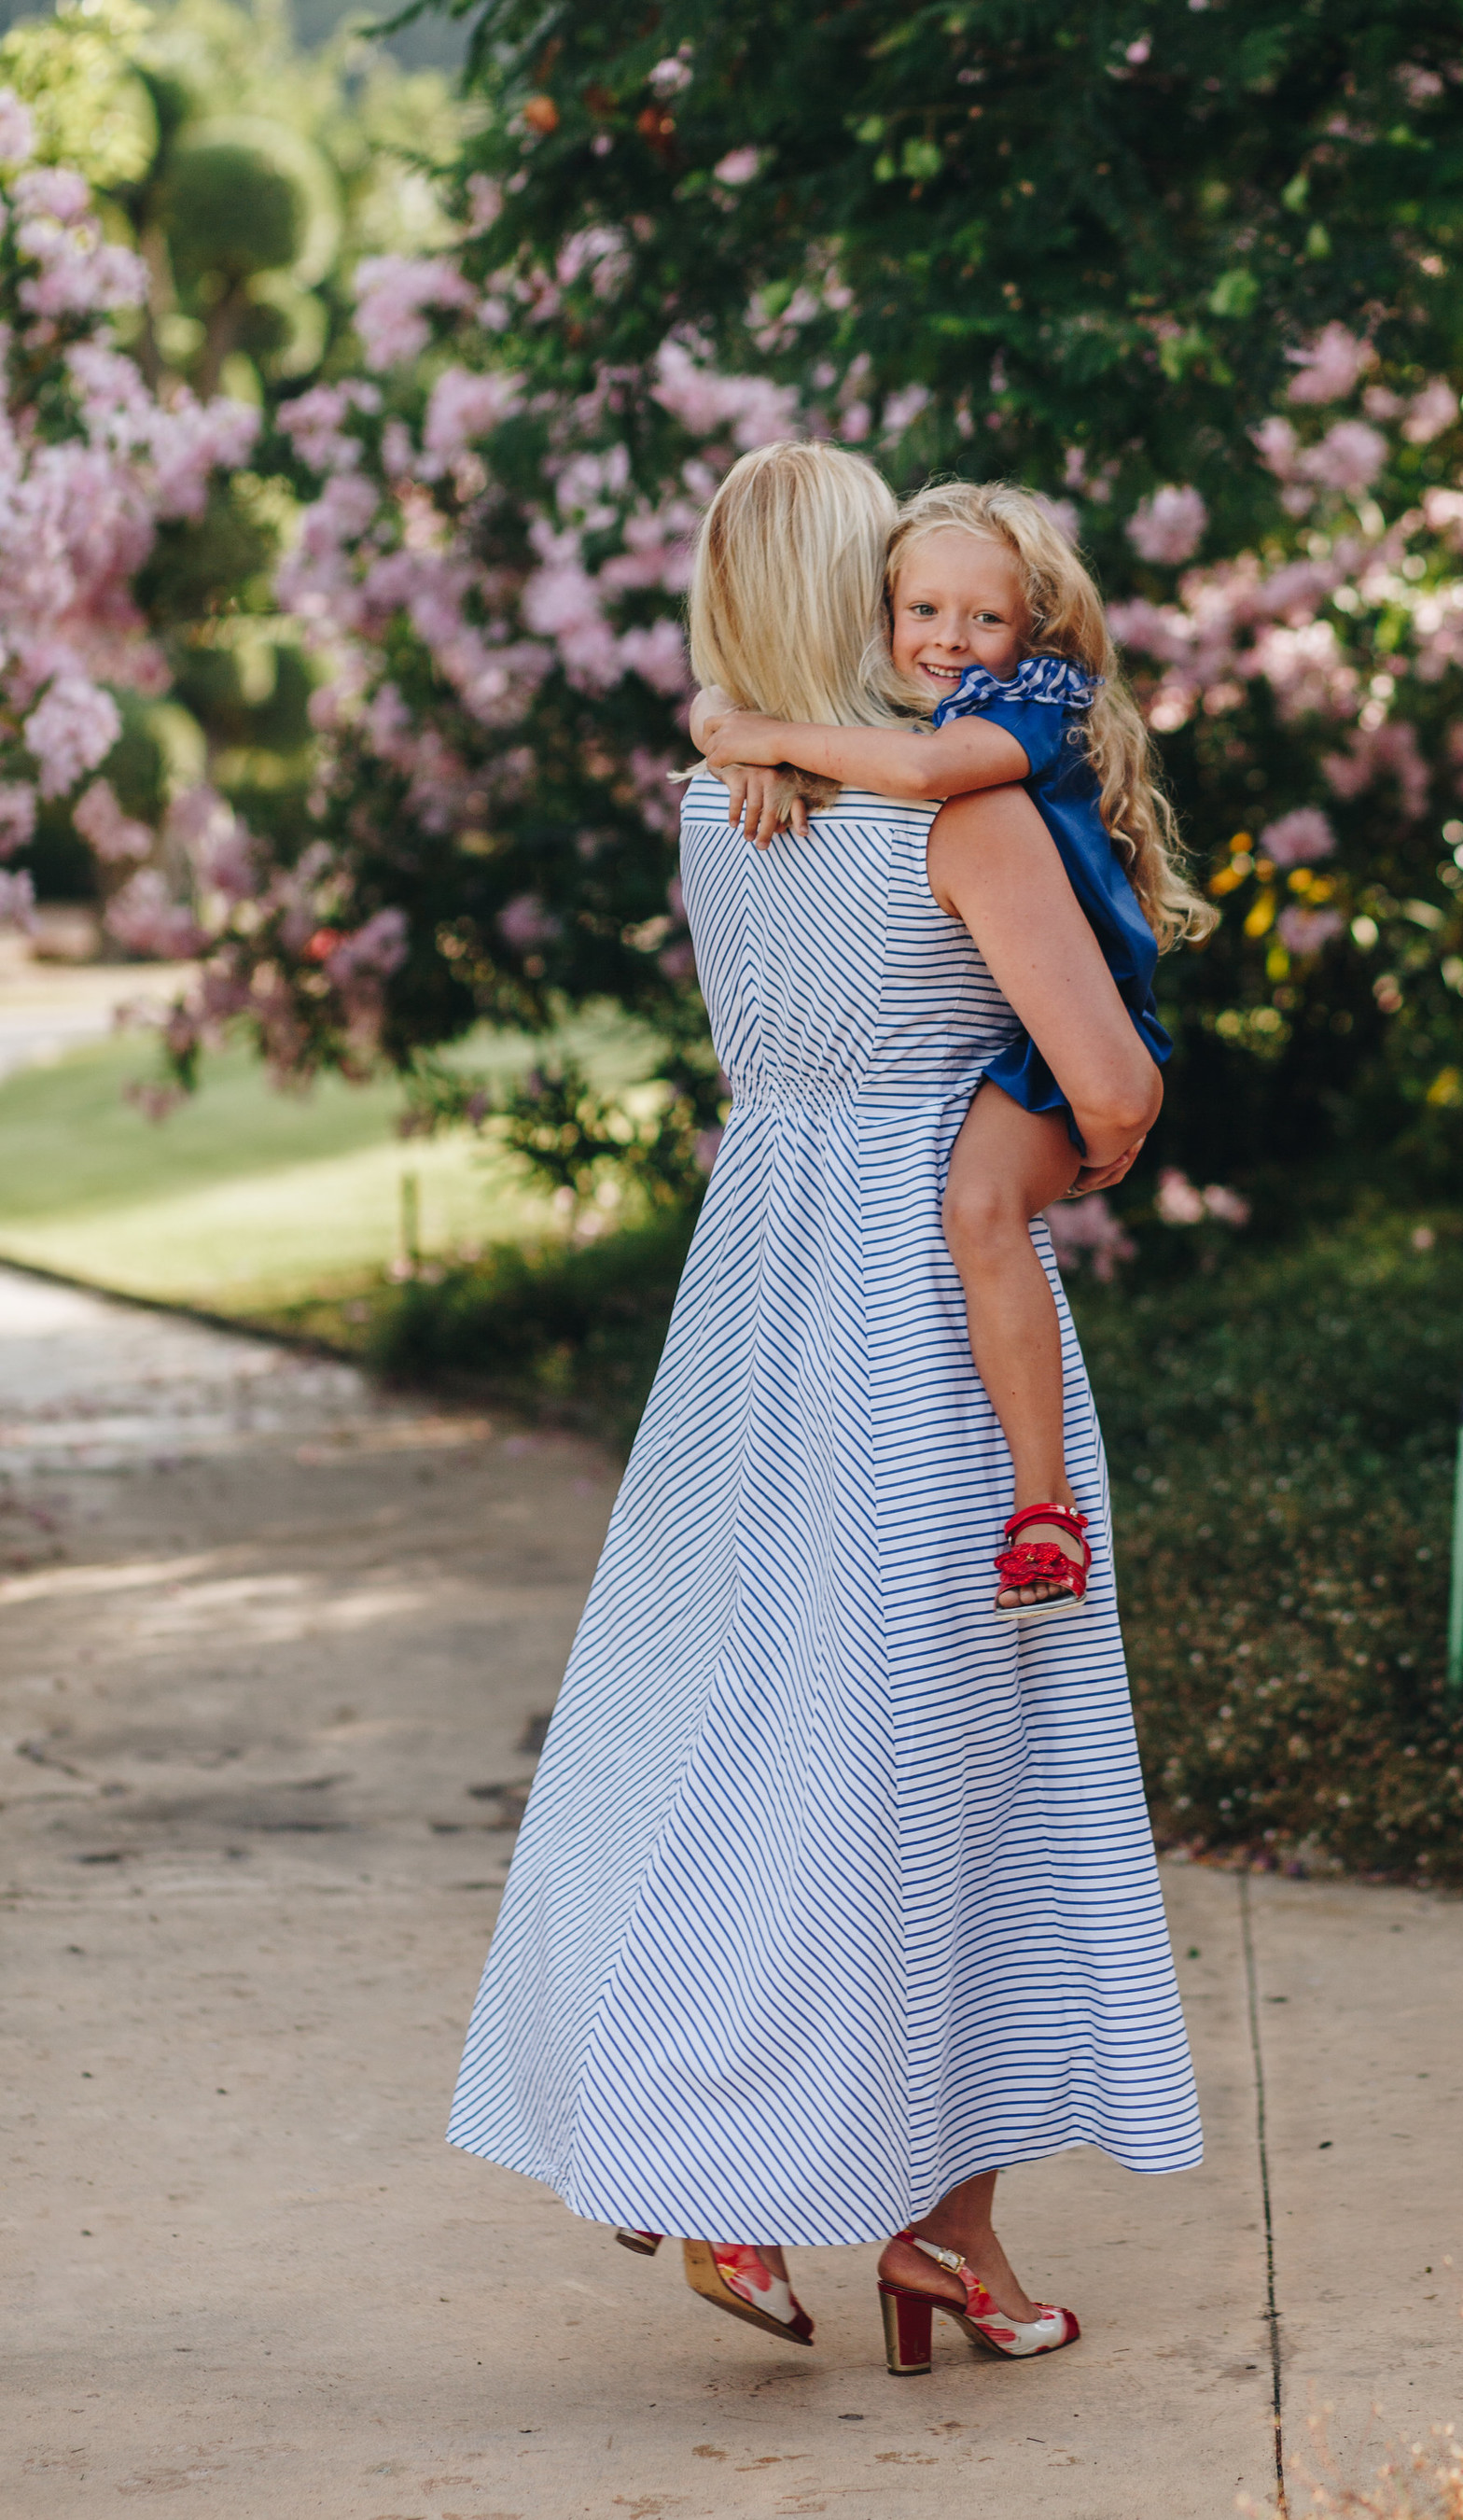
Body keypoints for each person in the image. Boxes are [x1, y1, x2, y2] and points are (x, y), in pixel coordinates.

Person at [447, 441, 1202, 2378]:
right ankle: (813, 2182)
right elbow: (1111, 1095)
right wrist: (1045, 1160)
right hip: (918, 1326)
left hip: (753, 1302)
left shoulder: (719, 807)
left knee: (741, 1724)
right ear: (868, 599)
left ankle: (890, 2212)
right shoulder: (972, 822)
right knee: (959, 1764)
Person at [697, 480, 1213, 1625]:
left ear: (1032, 630)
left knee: (980, 1213)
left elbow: (927, 779)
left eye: (984, 618)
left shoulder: (1027, 707)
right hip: (1014, 1047)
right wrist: (730, 732)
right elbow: (733, 707)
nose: (949, 641)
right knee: (974, 1214)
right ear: (876, 611)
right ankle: (1039, 1501)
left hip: (1058, 1035)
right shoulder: (874, 730)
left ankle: (1041, 1502)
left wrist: (758, 737)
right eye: (921, 611)